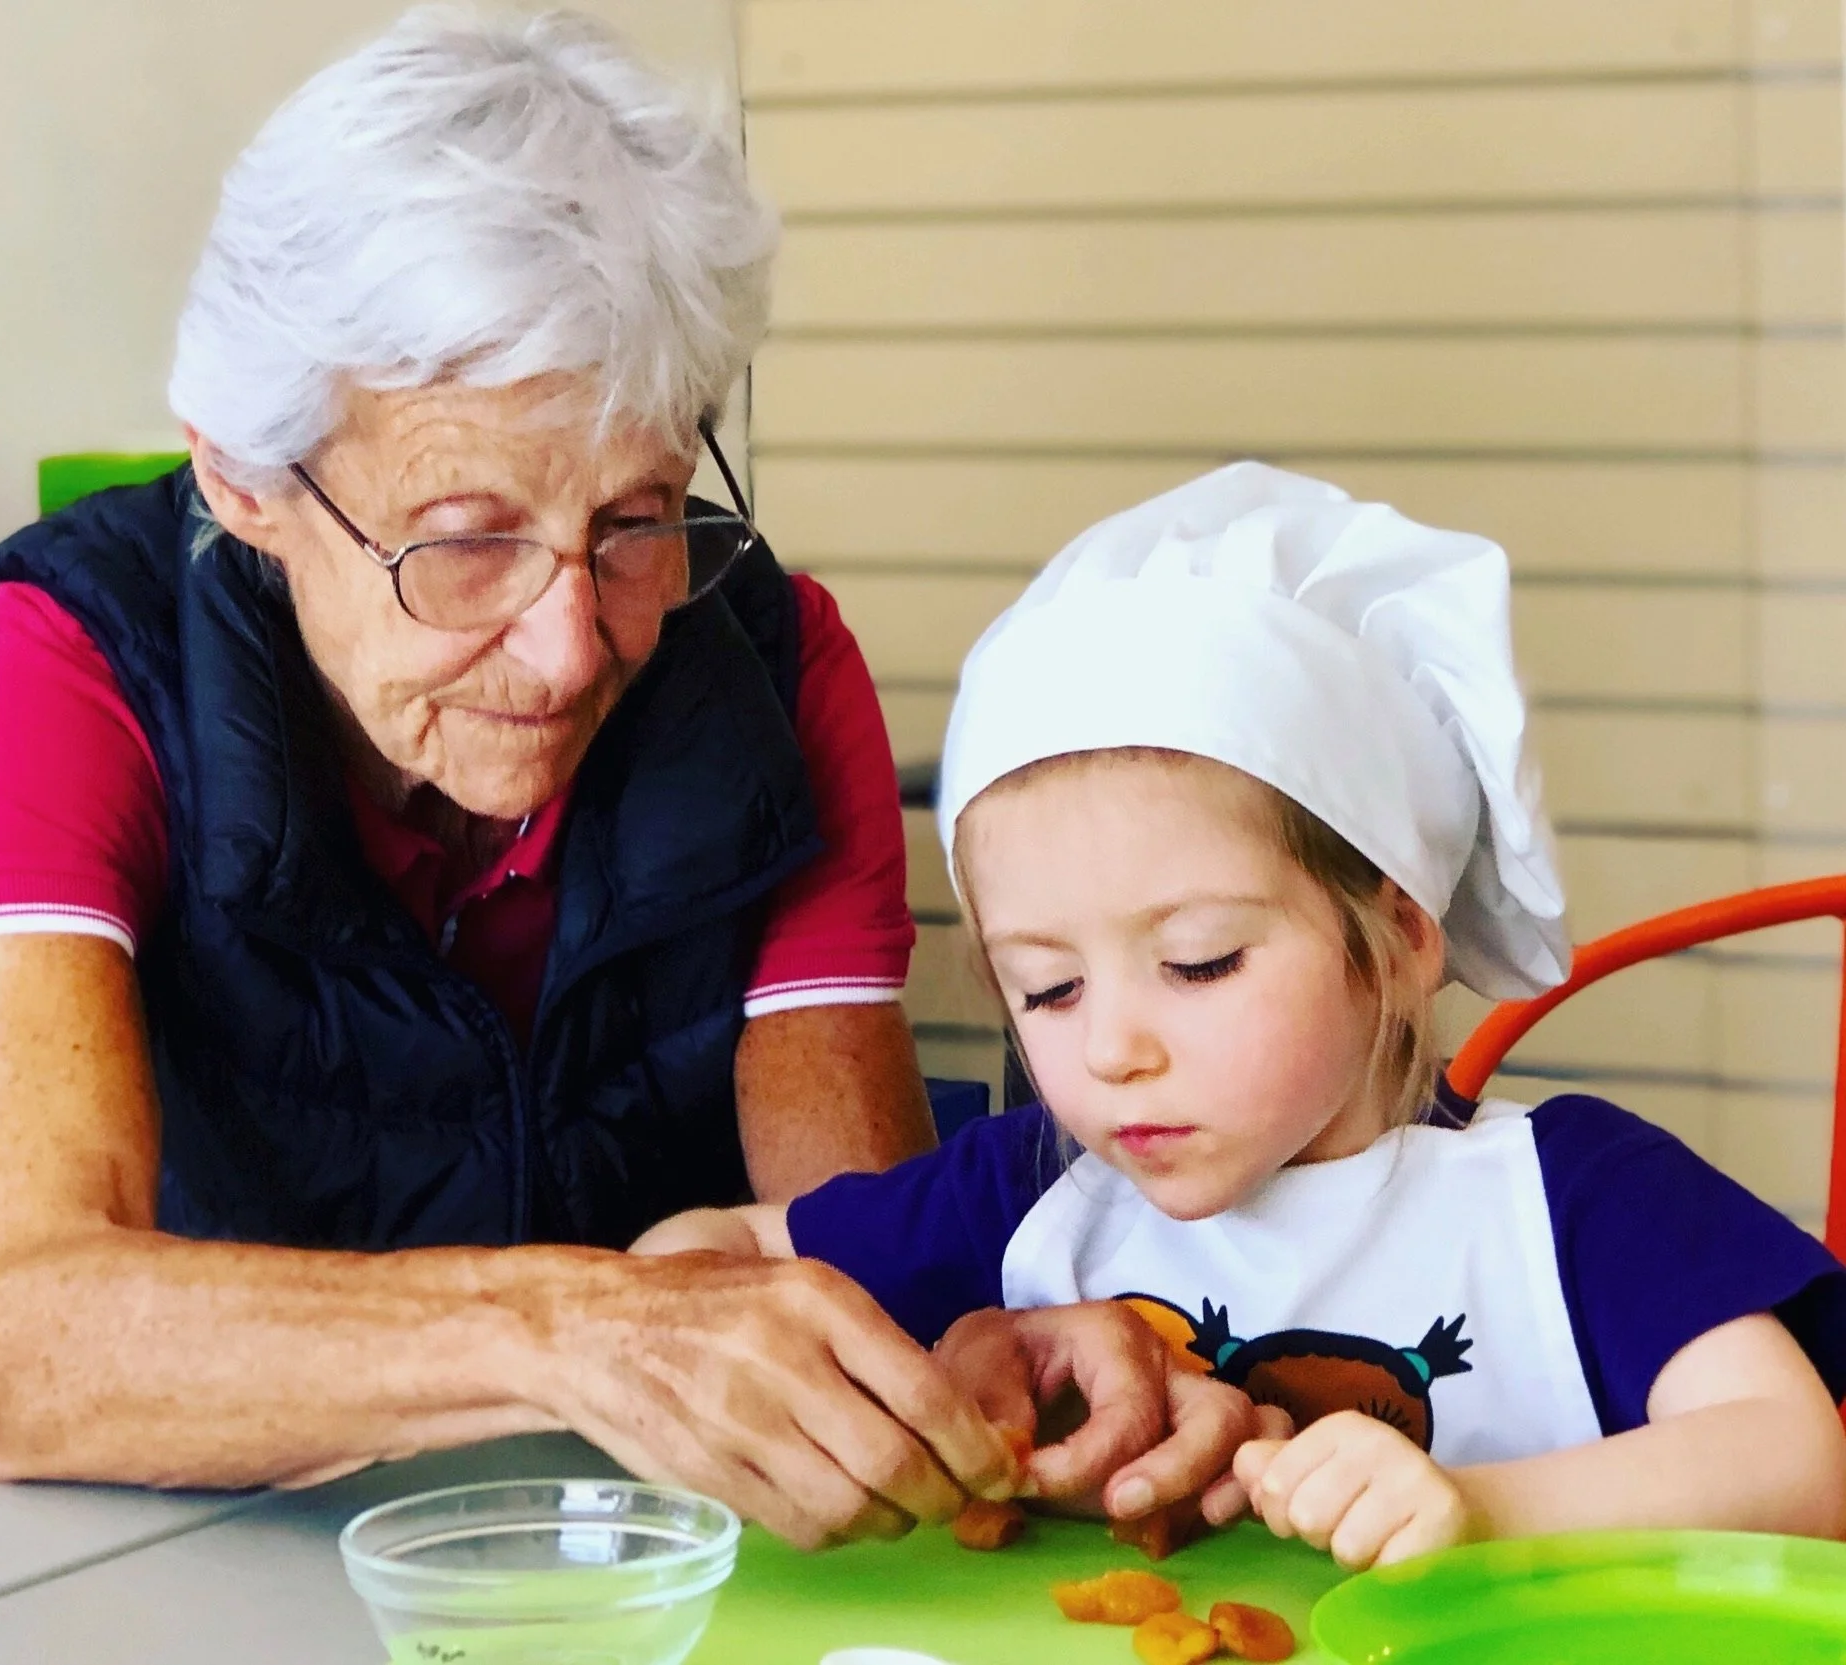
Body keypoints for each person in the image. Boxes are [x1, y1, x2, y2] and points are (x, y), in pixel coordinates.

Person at [0, 7, 1260, 1544]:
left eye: (633, 519)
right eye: (467, 540)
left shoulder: (771, 668)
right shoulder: (68, 659)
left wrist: (1013, 1351)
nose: (565, 653)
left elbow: (868, 1261)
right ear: (245, 479)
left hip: (624, 1569)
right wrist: (573, 1328)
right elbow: (33, 1346)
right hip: (145, 1559)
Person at [637, 462, 1846, 1564]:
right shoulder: (1023, 1199)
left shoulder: (1572, 1199)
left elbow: (1799, 1462)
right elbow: (691, 1265)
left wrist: (1477, 1505)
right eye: (1046, 988)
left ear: (1397, 942)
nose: (1110, 1049)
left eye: (1199, 962)